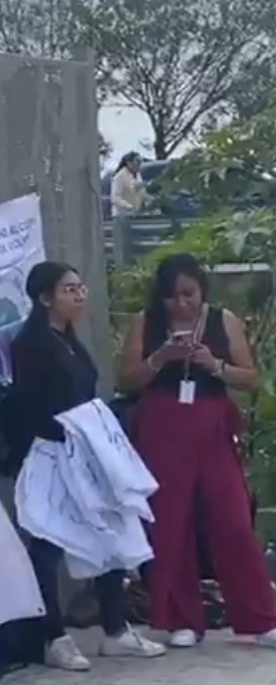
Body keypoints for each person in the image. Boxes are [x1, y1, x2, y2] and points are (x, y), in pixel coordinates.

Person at [9, 261, 165, 671]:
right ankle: (52, 637)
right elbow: (31, 406)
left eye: (81, 288)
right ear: (45, 298)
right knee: (47, 540)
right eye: (68, 289)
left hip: (87, 452)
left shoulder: (71, 341)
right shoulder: (30, 344)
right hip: (52, 451)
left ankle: (115, 629)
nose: (79, 296)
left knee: (110, 529)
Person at [118, 253, 276, 649]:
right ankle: (181, 618)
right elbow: (127, 380)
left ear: (202, 290)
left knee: (233, 520)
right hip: (161, 426)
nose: (181, 304)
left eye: (188, 294)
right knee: (171, 523)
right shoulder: (146, 322)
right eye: (172, 297)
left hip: (211, 425)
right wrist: (160, 358)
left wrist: (213, 364)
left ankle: (260, 616)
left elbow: (251, 378)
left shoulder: (223, 320)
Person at [110, 152, 146, 219]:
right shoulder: (119, 177)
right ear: (129, 163)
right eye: (137, 162)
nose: (139, 164)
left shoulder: (138, 175)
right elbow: (115, 198)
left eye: (141, 162)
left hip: (136, 215)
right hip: (122, 215)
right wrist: (129, 206)